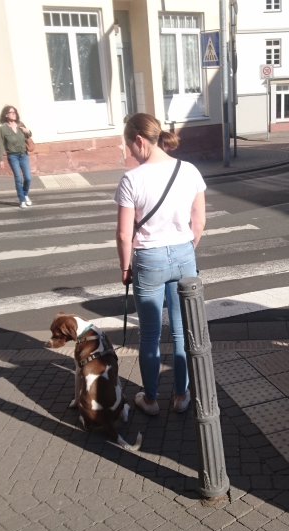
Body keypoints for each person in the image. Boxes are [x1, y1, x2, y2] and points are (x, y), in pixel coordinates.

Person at [115, 113, 207, 416]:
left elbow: (124, 234)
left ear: (140, 141)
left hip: (149, 260)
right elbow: (199, 221)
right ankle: (182, 396)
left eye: (129, 147)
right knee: (182, 333)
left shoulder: (132, 179)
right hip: (184, 255)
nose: (130, 153)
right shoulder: (190, 170)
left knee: (150, 335)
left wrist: (126, 267)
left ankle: (151, 399)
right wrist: (186, 250)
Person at [0, 105, 34, 210]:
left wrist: (27, 131)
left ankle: (25, 194)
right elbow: (1, 144)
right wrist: (0, 159)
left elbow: (29, 136)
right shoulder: (3, 128)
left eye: (15, 112)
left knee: (28, 177)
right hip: (12, 156)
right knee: (18, 178)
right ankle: (22, 200)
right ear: (6, 115)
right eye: (11, 112)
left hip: (23, 154)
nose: (14, 114)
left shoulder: (20, 125)